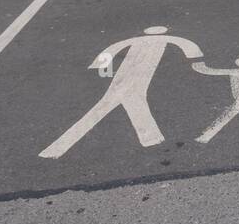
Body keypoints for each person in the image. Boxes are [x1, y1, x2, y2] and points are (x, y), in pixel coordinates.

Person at [39, 27, 203, 158]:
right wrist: (195, 58)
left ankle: (151, 137)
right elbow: (189, 48)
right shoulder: (170, 39)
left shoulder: (133, 40)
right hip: (138, 75)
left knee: (118, 101)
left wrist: (104, 71)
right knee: (124, 100)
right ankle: (150, 137)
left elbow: (110, 50)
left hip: (124, 76)